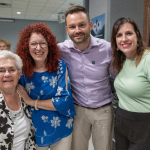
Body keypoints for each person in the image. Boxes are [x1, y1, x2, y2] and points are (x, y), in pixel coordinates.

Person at [58, 5, 115, 150]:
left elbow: (119, 77)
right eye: (72, 26)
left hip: (104, 111)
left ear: (90, 25)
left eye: (81, 25)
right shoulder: (60, 50)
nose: (77, 30)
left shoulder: (107, 49)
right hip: (78, 111)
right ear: (67, 29)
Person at [15, 22, 76, 150]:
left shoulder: (60, 67)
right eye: (33, 44)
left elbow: (64, 101)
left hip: (61, 127)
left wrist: (31, 101)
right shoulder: (21, 71)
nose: (38, 48)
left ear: (49, 45)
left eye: (42, 43)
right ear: (27, 47)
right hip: (33, 129)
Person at [111, 17, 150, 150]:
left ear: (137, 36)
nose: (124, 39)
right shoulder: (122, 60)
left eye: (129, 33)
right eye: (119, 35)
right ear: (115, 41)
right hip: (122, 121)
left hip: (144, 125)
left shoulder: (147, 59)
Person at [0, 50, 36, 150]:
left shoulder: (22, 95)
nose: (7, 74)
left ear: (19, 74)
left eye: (12, 70)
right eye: (1, 70)